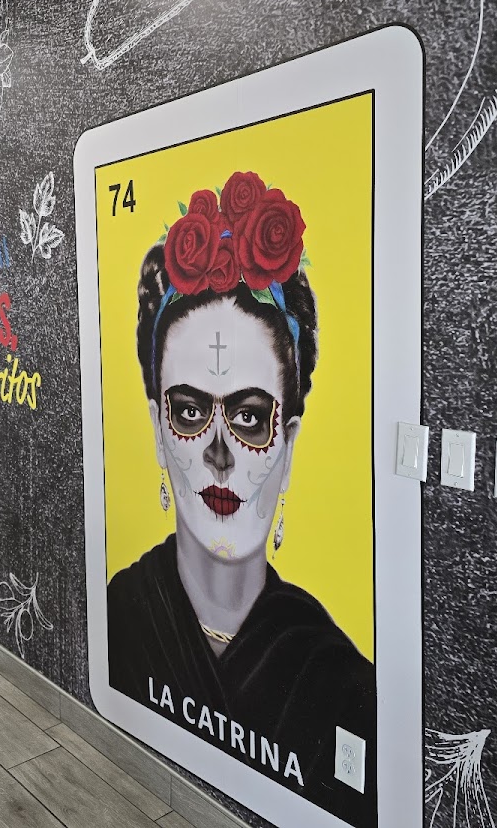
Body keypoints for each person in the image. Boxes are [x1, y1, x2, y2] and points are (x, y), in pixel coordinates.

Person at [107, 171, 377, 826]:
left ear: (288, 444)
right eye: (190, 411)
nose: (220, 452)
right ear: (157, 430)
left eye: (250, 417)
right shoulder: (120, 613)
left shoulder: (343, 683)